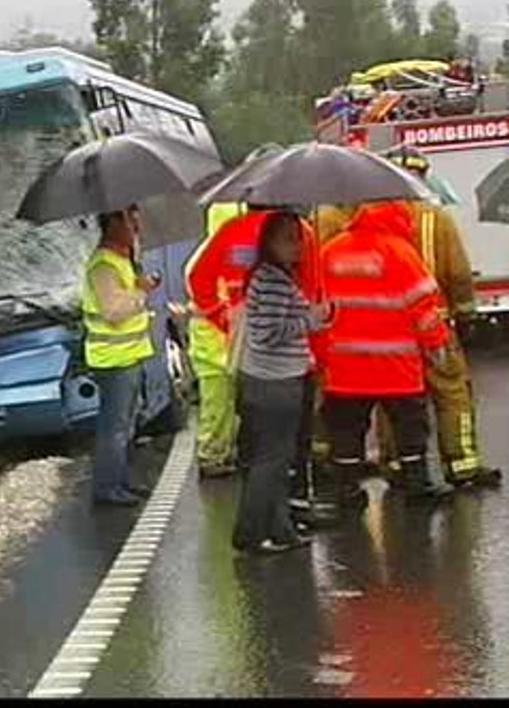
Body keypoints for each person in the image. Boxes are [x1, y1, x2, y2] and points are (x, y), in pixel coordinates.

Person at [381, 145, 503, 490]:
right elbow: (458, 274)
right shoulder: (437, 220)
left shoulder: (371, 220)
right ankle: (462, 465)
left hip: (390, 330)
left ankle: (397, 465)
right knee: (452, 393)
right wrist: (466, 315)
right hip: (434, 324)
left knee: (395, 399)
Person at [318, 202, 455, 509]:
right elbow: (424, 309)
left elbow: (319, 306)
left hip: (345, 368)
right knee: (410, 428)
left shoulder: (331, 251)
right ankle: (417, 484)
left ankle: (347, 489)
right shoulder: (401, 252)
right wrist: (436, 347)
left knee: (346, 431)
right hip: (397, 366)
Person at [232, 211, 330, 554]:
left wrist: (316, 319)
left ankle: (280, 528)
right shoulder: (272, 281)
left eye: (298, 237)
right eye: (288, 238)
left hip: (274, 378)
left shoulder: (273, 276)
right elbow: (269, 333)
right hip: (274, 382)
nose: (297, 245)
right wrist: (309, 320)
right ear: (270, 243)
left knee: (275, 459)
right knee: (271, 461)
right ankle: (251, 533)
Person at [81, 205, 159, 506]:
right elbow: (114, 312)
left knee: (125, 425)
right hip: (113, 359)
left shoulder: (122, 260)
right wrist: (142, 293)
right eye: (130, 219)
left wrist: (139, 283)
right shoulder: (104, 266)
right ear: (112, 222)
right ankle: (107, 488)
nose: (137, 225)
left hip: (129, 355)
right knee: (114, 428)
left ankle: (121, 481)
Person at [185, 202, 248, 479]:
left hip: (221, 345)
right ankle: (211, 456)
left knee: (226, 407)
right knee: (218, 408)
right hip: (216, 346)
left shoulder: (210, 253)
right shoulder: (221, 254)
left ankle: (223, 451)